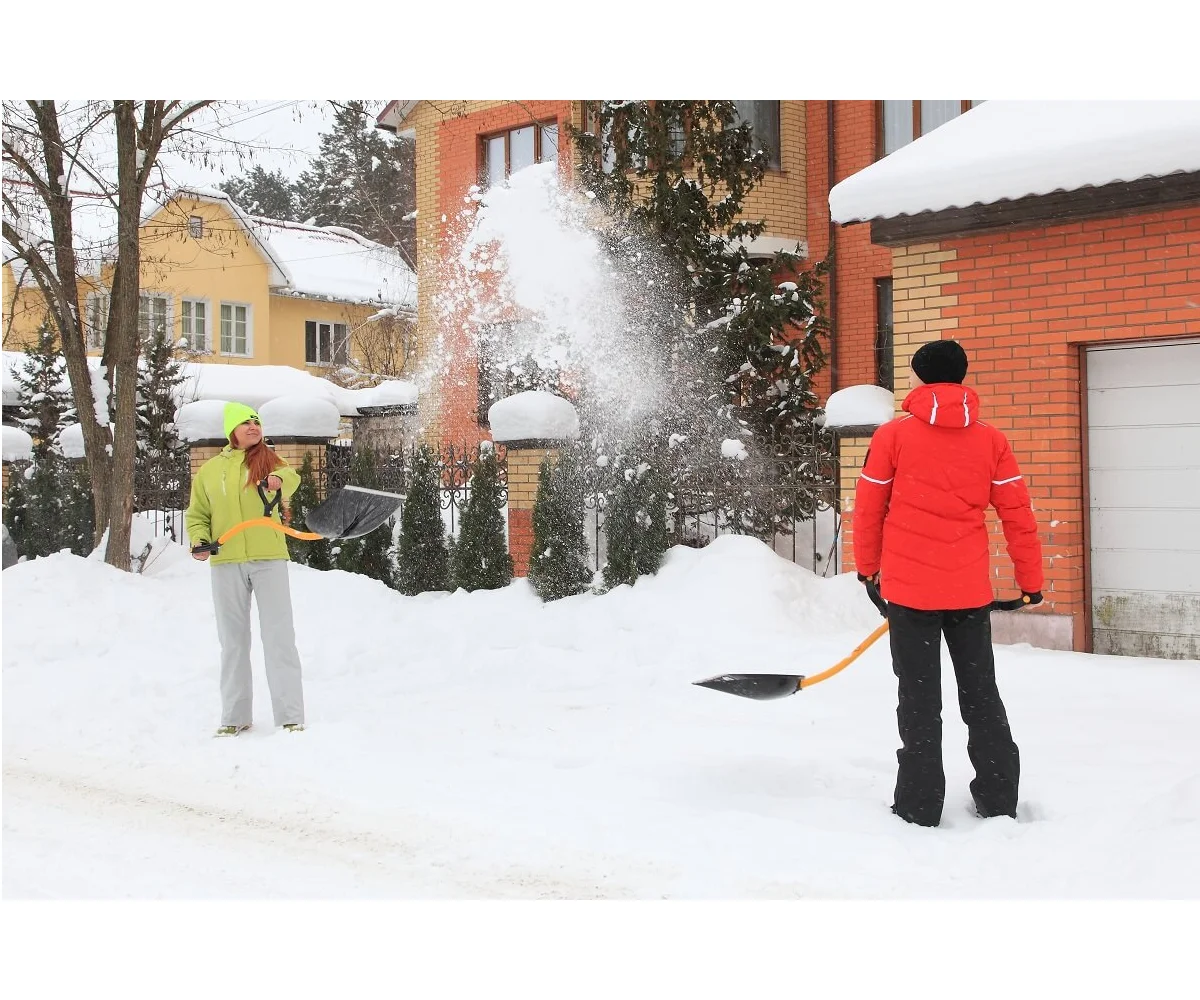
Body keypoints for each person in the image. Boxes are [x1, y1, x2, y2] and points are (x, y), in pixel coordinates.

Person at [853, 339, 1043, 827]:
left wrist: (868, 570)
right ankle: (998, 798)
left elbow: (869, 508)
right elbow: (1018, 516)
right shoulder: (991, 440)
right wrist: (1031, 582)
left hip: (911, 594)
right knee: (980, 693)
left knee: (919, 699)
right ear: (960, 378)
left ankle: (918, 805)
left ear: (919, 378)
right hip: (967, 594)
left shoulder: (893, 437)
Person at [185, 402, 306, 737]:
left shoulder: (270, 460)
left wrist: (276, 480)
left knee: (279, 637)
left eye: (257, 422)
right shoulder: (210, 472)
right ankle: (234, 716)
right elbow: (197, 514)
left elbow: (291, 476)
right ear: (231, 430)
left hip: (268, 557)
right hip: (226, 560)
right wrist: (199, 539)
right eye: (246, 422)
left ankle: (291, 714)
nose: (254, 426)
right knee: (233, 642)